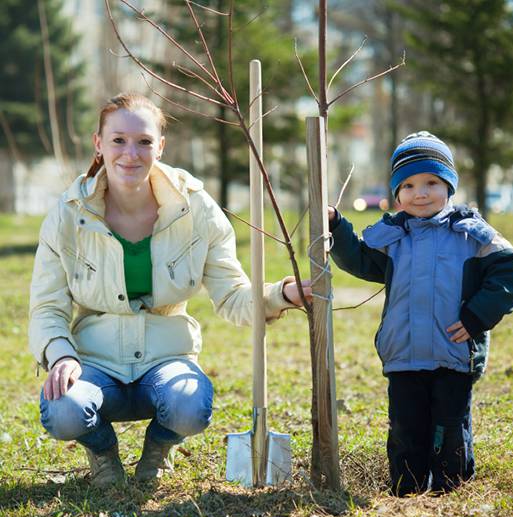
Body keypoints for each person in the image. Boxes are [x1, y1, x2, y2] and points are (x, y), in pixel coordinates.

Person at [29, 92, 308, 487]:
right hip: (94, 361)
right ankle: (103, 453)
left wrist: (283, 294)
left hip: (165, 359)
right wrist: (60, 357)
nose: (131, 153)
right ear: (98, 143)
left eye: (144, 141)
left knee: (189, 405)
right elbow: (47, 307)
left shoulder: (195, 209)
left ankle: (159, 448)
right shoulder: (68, 214)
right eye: (118, 140)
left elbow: (232, 297)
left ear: (160, 146)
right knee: (63, 409)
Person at [328, 131, 513, 496]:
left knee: (449, 426)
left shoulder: (471, 233)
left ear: (449, 185)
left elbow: (509, 271)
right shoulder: (392, 237)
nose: (421, 193)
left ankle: (451, 490)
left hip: (453, 352)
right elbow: (357, 258)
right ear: (397, 194)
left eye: (432, 182)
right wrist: (337, 226)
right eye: (409, 185)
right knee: (406, 426)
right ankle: (407, 490)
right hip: (404, 355)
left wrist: (475, 318)